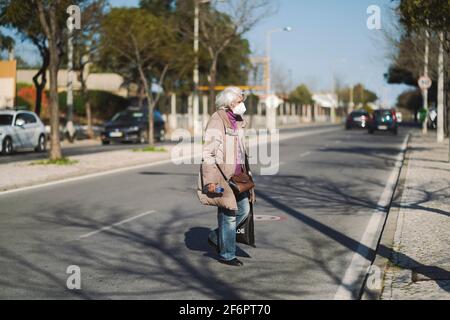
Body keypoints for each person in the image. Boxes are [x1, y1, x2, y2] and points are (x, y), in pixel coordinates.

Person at [197, 86, 256, 267]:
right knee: (228, 215)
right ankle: (227, 254)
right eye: (239, 101)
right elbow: (209, 153)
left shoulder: (237, 120)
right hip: (223, 176)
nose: (242, 104)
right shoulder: (217, 120)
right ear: (230, 103)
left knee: (244, 210)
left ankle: (216, 236)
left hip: (239, 176)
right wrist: (210, 182)